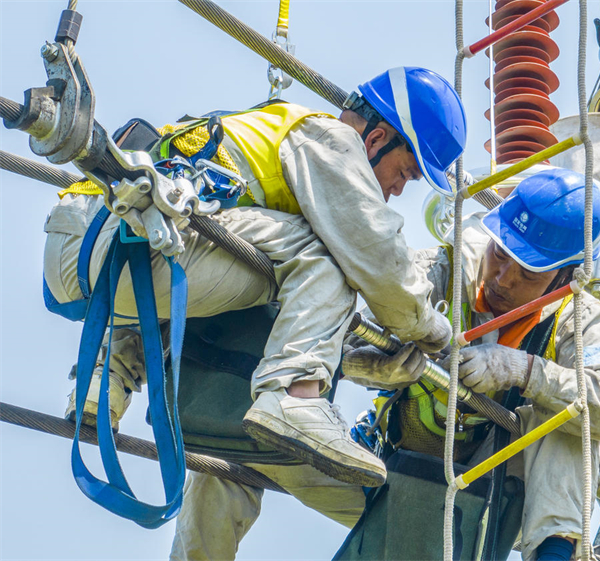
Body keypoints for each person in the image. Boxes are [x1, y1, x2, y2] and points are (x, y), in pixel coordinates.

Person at [169, 168, 600, 561]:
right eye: (500, 254)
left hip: (484, 502)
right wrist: (368, 366)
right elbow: (341, 326)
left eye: (527, 272)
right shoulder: (444, 270)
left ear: (565, 278)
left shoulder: (578, 318)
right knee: (239, 442)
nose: (502, 279)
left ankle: (555, 555)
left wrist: (521, 370)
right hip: (386, 472)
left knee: (567, 416)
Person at [43, 66, 466, 488]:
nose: (397, 190)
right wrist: (431, 329)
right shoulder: (332, 140)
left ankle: (105, 382)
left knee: (252, 259)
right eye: (405, 173)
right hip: (127, 248)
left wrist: (350, 362)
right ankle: (295, 395)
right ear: (376, 139)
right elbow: (376, 256)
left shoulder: (272, 130)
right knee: (330, 252)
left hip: (84, 246)